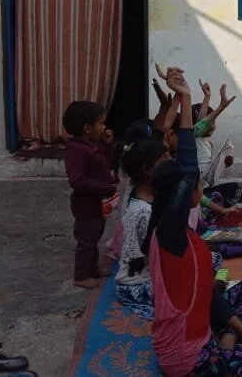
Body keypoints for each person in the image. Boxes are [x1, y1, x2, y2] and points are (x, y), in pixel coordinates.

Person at [144, 66, 242, 376]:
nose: (199, 189)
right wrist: (185, 99)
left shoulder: (184, 233)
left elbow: (209, 293)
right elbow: (185, 167)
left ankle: (230, 336)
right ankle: (225, 344)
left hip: (206, 317)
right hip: (186, 356)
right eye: (194, 186)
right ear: (181, 195)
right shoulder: (170, 236)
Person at [63, 101, 117, 289]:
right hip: (85, 203)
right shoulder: (76, 150)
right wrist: (105, 188)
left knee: (94, 235)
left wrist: (108, 145)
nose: (104, 127)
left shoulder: (92, 145)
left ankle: (92, 268)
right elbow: (76, 180)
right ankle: (81, 275)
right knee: (86, 239)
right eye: (101, 123)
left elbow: (105, 163)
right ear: (87, 128)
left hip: (96, 201)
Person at [115, 140, 169, 319]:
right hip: (137, 283)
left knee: (211, 257)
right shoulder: (144, 211)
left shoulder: (143, 192)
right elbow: (160, 256)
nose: (170, 162)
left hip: (149, 269)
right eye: (164, 161)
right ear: (148, 169)